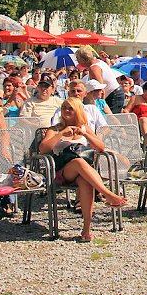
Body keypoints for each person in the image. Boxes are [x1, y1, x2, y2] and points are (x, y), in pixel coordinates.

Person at [39, 98, 127, 242]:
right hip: (62, 171)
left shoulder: (85, 128)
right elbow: (43, 149)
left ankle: (86, 230)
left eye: (70, 108)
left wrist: (85, 134)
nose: (66, 111)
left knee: (85, 182)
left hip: (82, 172)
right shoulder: (55, 129)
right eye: (64, 108)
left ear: (78, 111)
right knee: (79, 162)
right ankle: (107, 194)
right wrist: (61, 134)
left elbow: (101, 148)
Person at [75, 46, 123, 114]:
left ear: (83, 59)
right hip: (116, 93)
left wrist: (101, 105)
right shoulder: (99, 62)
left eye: (78, 59)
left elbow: (100, 89)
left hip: (113, 96)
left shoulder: (94, 68)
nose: (78, 62)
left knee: (110, 120)